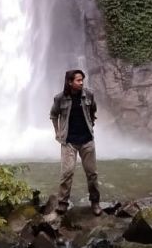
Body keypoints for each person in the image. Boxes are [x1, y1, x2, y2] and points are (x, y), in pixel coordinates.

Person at [49, 69, 101, 215]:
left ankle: (95, 202)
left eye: (82, 80)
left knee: (92, 173)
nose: (81, 82)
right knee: (66, 173)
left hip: (87, 140)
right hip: (68, 141)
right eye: (78, 80)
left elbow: (93, 110)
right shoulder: (60, 98)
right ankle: (63, 203)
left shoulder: (89, 94)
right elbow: (53, 115)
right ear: (70, 82)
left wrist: (91, 125)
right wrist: (57, 131)